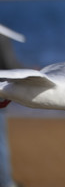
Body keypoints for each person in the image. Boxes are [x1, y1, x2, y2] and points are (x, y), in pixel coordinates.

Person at [0, 34, 23, 187]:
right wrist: (33, 72)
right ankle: (6, 183)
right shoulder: (1, 35)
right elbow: (10, 65)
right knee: (1, 144)